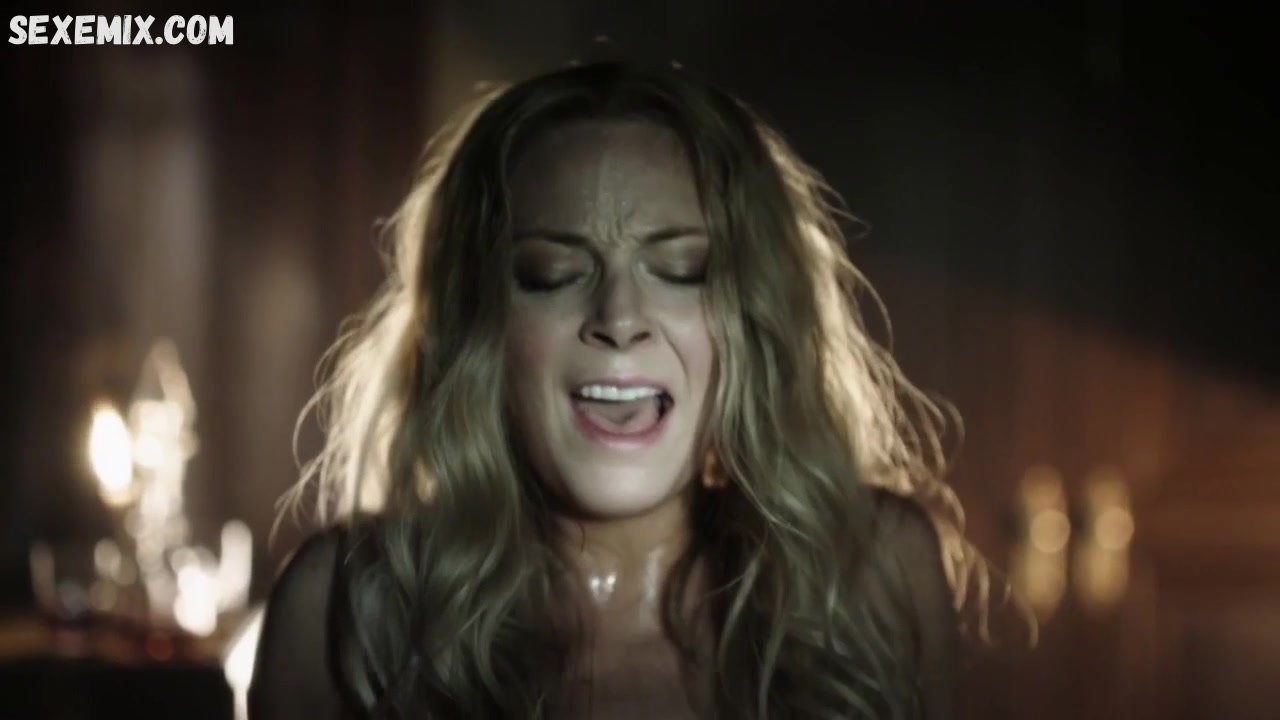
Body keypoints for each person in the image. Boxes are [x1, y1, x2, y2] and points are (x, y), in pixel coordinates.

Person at [248, 60, 993, 719]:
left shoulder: (873, 577)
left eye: (682, 270)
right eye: (552, 274)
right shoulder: (344, 612)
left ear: (754, 314)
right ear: (476, 324)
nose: (620, 319)